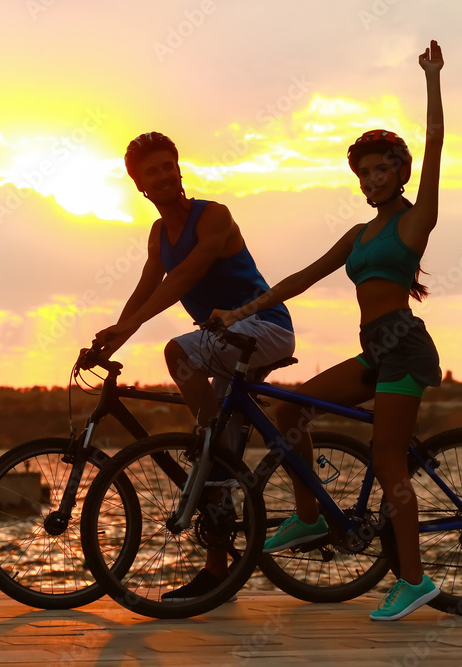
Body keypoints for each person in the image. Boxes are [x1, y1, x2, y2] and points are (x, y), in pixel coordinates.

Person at [212, 40, 445, 621]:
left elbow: (438, 143)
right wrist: (242, 313)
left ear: (401, 171)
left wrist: (433, 79)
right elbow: (301, 278)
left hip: (404, 347)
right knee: (289, 409)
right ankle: (310, 517)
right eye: (365, 172)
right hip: (375, 349)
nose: (373, 177)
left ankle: (413, 581)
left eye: (383, 167)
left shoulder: (417, 220)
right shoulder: (358, 235)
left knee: (387, 458)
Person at [93, 131, 296, 601]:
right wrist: (112, 334)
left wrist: (131, 329)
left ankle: (210, 443)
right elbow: (147, 287)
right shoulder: (158, 234)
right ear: (140, 186)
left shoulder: (214, 216)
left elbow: (186, 275)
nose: (164, 176)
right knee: (215, 463)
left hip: (262, 327)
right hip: (225, 342)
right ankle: (218, 570)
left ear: (179, 169)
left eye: (169, 165)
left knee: (177, 353)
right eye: (152, 172)